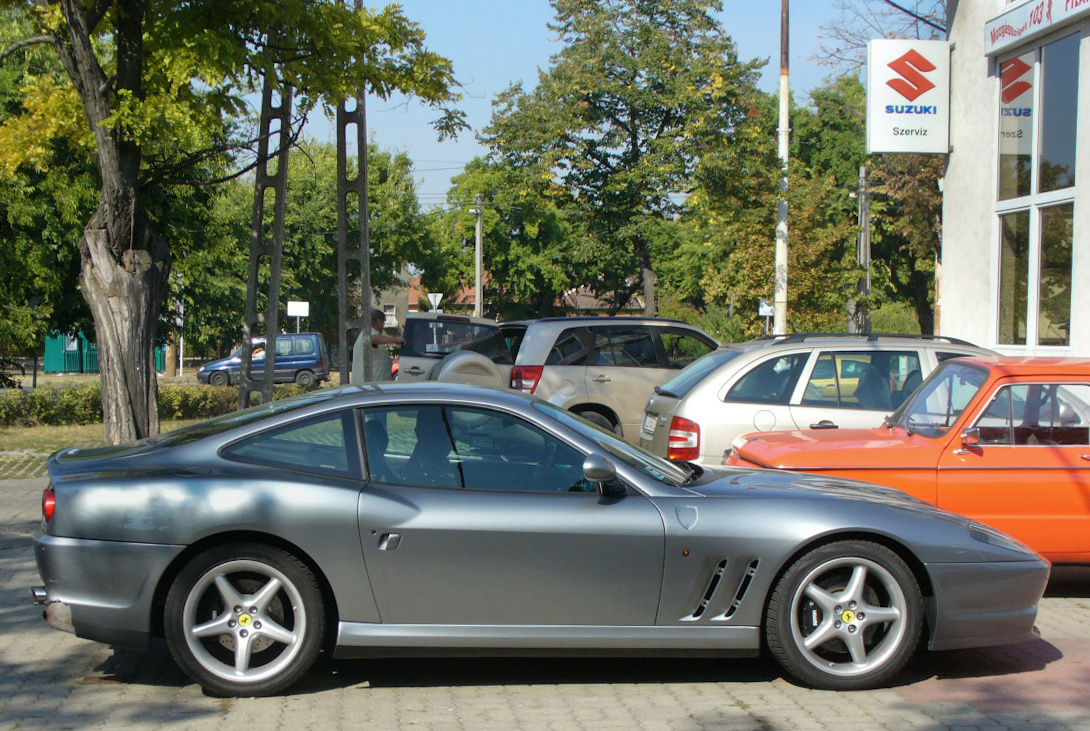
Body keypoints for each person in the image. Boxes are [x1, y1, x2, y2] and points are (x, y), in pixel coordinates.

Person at [352, 309, 405, 383]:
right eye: (383, 324)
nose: (383, 327)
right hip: (369, 386)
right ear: (378, 323)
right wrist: (395, 340)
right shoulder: (368, 334)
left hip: (373, 385)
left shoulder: (366, 334)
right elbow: (372, 339)